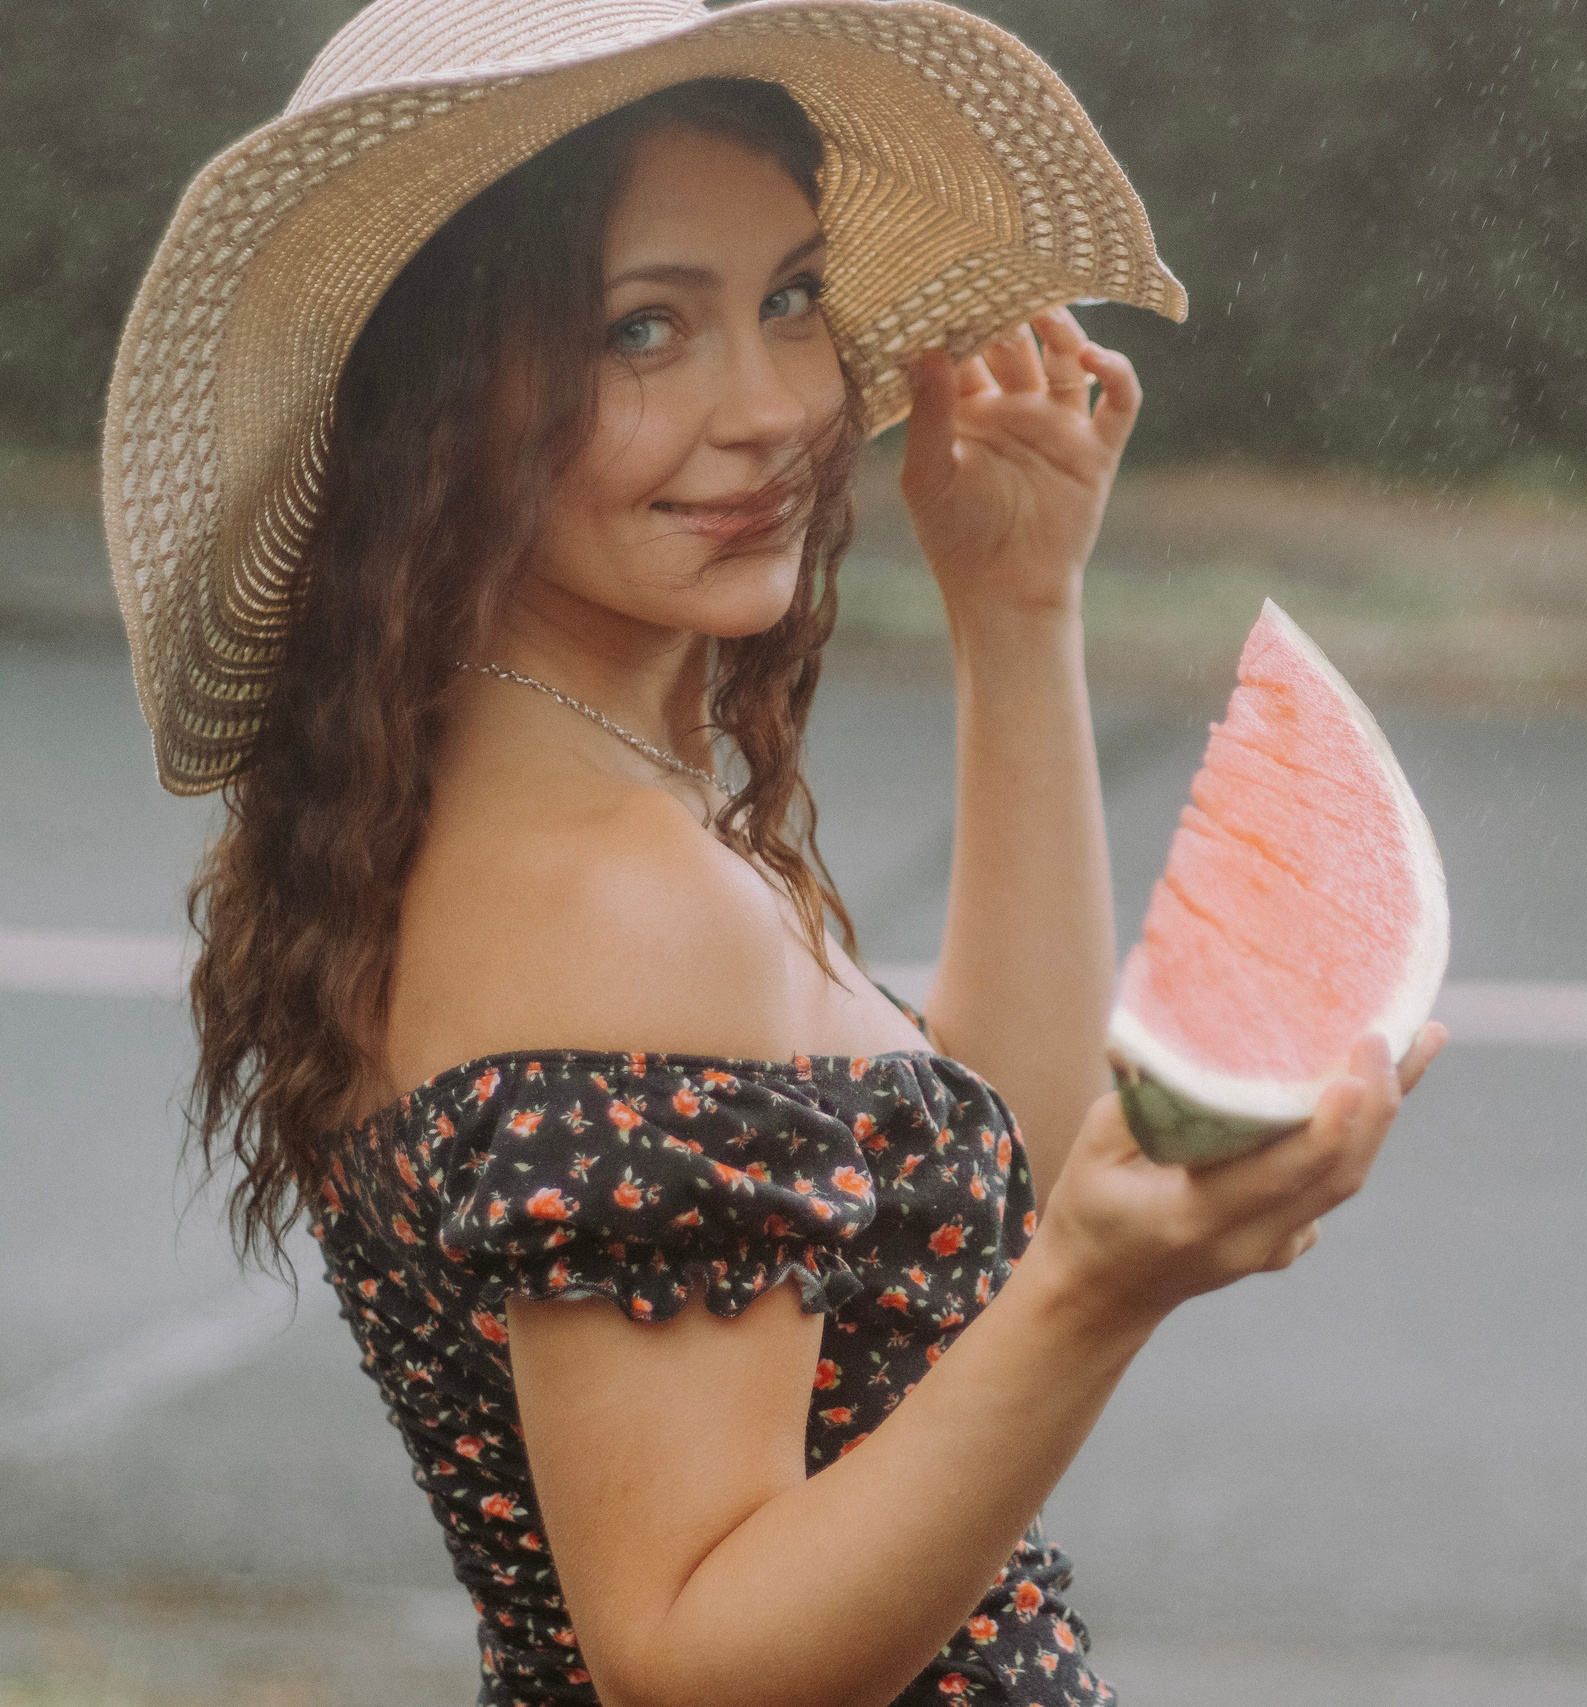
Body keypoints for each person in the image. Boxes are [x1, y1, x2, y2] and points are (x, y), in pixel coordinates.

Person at [102, 3, 1445, 1703]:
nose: (772, 407)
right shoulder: (618, 900)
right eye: (643, 328)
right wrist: (1099, 1295)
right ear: (442, 396)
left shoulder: (498, 796)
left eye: (793, 300)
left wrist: (1014, 611)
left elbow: (984, 1178)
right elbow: (688, 1662)